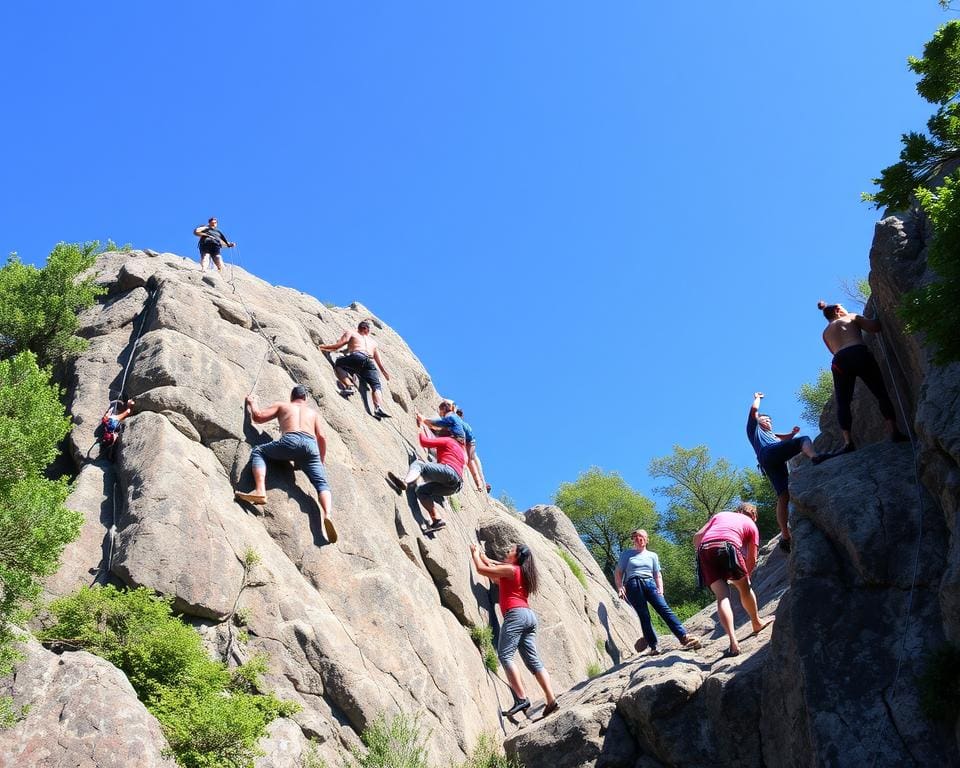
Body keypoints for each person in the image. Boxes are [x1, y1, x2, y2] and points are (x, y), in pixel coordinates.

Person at [234, 385, 336, 543]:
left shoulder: (284, 405)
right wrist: (320, 459)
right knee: (322, 484)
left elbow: (258, 417)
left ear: (291, 397)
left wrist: (251, 403)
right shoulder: (313, 413)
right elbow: (321, 437)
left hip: (291, 441)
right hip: (311, 447)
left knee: (258, 451)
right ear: (305, 399)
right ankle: (327, 515)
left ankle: (260, 490)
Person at [469, 541, 560, 719]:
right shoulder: (522, 573)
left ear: (517, 556)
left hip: (516, 615)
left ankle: (521, 698)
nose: (507, 551)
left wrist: (474, 554)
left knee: (505, 655)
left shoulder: (512, 570)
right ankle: (551, 700)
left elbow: (481, 570)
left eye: (511, 550)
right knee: (533, 662)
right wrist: (485, 558)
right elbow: (495, 577)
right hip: (529, 617)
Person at [818, 300, 906, 451]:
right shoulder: (851, 317)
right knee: (880, 393)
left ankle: (848, 442)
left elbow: (833, 350)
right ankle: (893, 430)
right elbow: (875, 327)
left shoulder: (825, 333)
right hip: (858, 352)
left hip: (839, 362)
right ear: (838, 310)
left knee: (843, 402)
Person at [693, 503, 773, 657]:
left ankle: (733, 641)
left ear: (737, 511)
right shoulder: (751, 524)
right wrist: (745, 577)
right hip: (728, 546)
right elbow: (752, 558)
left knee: (722, 597)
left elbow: (697, 538)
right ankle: (756, 623)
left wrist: (705, 554)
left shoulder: (720, 515)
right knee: (745, 588)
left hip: (704, 549)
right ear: (754, 516)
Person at [746, 392, 822, 552]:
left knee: (783, 495)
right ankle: (815, 457)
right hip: (769, 453)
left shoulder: (771, 435)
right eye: (765, 419)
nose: (769, 421)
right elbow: (754, 411)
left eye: (770, 420)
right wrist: (758, 398)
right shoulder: (754, 429)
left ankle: (785, 536)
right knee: (804, 440)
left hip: (771, 462)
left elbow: (783, 438)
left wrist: (792, 434)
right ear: (758, 422)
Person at [614, 530, 701, 655]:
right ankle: (653, 646)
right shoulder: (627, 554)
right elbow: (618, 572)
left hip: (649, 583)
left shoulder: (652, 555)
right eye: (637, 536)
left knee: (664, 609)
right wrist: (620, 586)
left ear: (647, 539)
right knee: (644, 615)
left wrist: (661, 589)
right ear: (633, 539)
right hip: (633, 584)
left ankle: (684, 637)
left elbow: (657, 574)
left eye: (642, 536)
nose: (640, 539)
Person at [385, 415, 464, 531]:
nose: (439, 432)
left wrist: (419, 426)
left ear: (449, 432)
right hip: (455, 486)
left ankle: (404, 482)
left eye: (442, 430)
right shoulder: (461, 451)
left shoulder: (448, 440)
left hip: (448, 472)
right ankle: (436, 520)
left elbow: (424, 442)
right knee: (422, 491)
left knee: (419, 465)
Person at [318, 321, 391, 419]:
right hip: (369, 362)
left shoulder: (351, 332)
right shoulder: (373, 342)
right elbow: (379, 362)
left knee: (339, 364)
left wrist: (323, 347)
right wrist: (384, 372)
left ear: (358, 328)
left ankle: (349, 386)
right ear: (367, 330)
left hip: (357, 357)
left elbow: (339, 345)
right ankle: (378, 408)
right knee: (376, 386)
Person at [455, 407, 488, 493]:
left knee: (470, 460)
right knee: (472, 459)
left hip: (469, 442)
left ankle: (479, 483)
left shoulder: (459, 423)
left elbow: (462, 436)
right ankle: (482, 482)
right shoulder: (463, 423)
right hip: (471, 441)